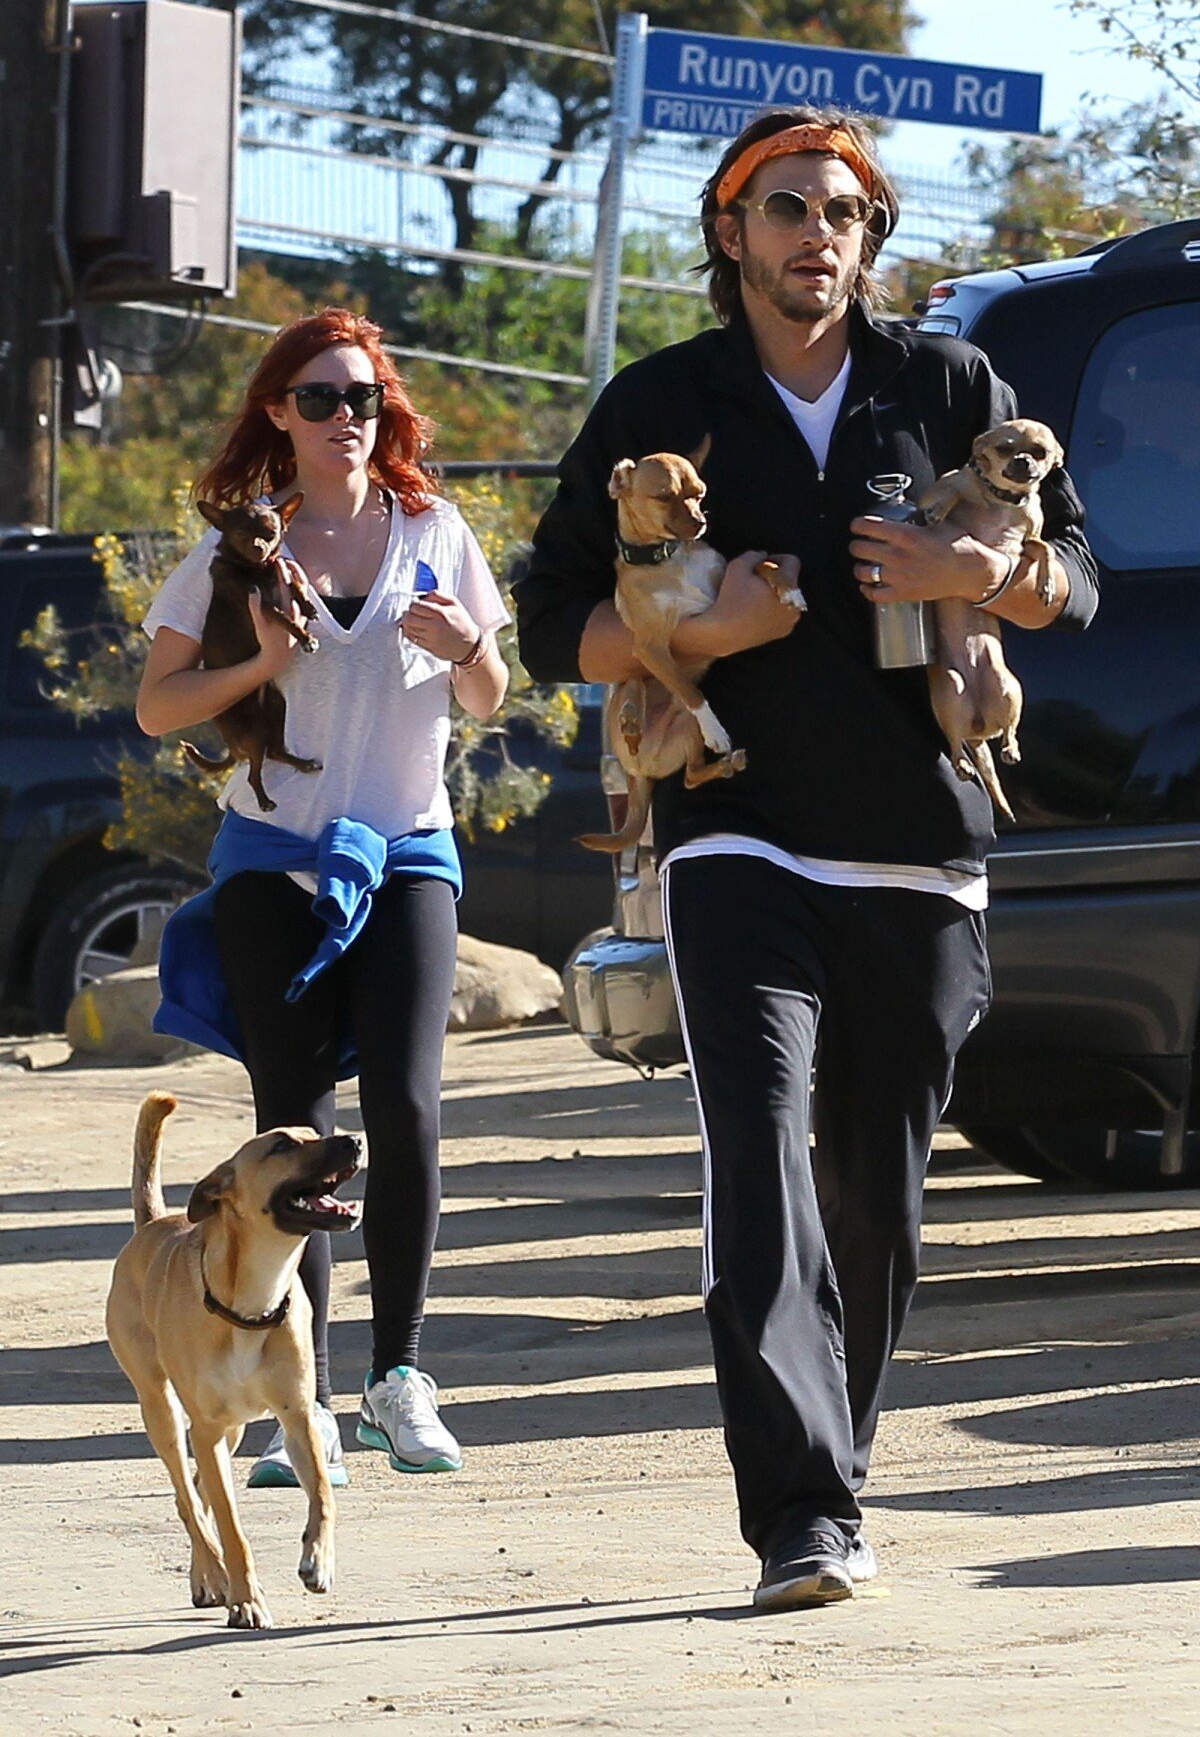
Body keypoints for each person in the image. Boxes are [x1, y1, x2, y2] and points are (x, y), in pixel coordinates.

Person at [514, 106, 1097, 1610]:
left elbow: (1071, 583)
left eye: (841, 213)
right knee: (760, 1169)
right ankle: (801, 1517)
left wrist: (976, 572)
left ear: (867, 237)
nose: (814, 236)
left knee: (874, 1198)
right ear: (732, 234)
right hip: (736, 833)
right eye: (785, 209)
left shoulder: (948, 382)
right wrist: (698, 635)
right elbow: (549, 618)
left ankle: (837, 1458)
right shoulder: (666, 402)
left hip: (920, 848)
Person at [138, 309, 509, 1487]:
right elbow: (158, 708)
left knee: (402, 1109)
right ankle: (302, 1404)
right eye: (318, 399)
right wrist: (257, 660)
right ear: (277, 418)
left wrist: (464, 648)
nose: (344, 418)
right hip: (270, 863)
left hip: (404, 855)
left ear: (383, 413)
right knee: (292, 1127)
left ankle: (398, 1380)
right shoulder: (244, 554)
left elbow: (490, 696)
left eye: (363, 399)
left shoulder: (434, 529)